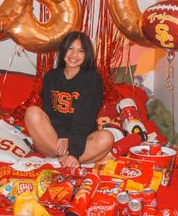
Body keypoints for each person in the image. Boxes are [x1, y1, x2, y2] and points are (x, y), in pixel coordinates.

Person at [24, 31, 114, 168]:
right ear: (63, 50)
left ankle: (65, 159)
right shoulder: (51, 76)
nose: (74, 55)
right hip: (53, 139)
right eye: (70, 49)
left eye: (80, 51)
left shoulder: (92, 79)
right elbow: (48, 110)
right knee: (32, 112)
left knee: (107, 138)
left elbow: (84, 118)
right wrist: (62, 135)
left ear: (86, 55)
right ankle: (67, 160)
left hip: (80, 140)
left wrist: (75, 152)